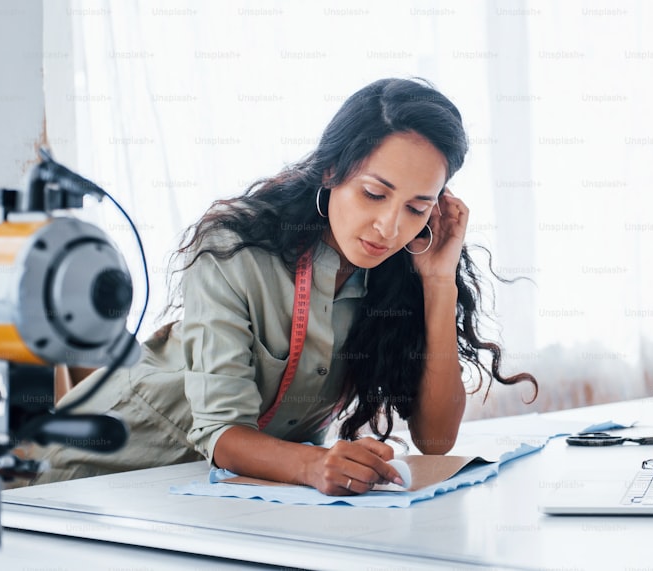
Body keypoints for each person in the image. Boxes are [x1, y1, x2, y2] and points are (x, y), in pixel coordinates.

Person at [32, 78, 537, 495]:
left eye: (416, 207)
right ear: (333, 169)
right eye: (374, 193)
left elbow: (435, 437)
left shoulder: (401, 271)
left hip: (218, 493)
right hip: (93, 478)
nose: (388, 225)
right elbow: (221, 432)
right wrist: (314, 465)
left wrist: (439, 281)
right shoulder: (235, 248)